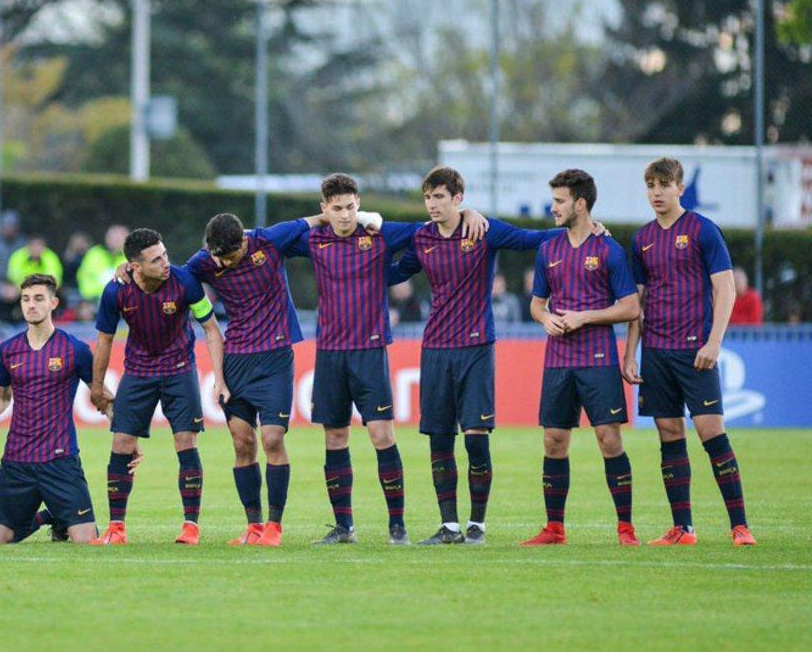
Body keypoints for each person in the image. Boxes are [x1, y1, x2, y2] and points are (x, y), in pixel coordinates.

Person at [387, 166, 598, 545]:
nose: (432, 205)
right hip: (435, 348)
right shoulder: (422, 238)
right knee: (439, 437)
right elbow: (393, 272)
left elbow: (532, 238)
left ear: (458, 198)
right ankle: (449, 526)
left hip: (476, 347)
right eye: (428, 198)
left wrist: (584, 229)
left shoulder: (483, 230)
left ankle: (477, 525)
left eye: (439, 197)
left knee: (474, 438)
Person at [287, 173, 485, 545]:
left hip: (370, 352)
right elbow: (270, 238)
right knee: (335, 437)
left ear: (359, 205)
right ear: (324, 209)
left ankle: (398, 525)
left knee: (381, 434)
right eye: (336, 209)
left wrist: (469, 210)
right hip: (329, 353)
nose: (345, 215)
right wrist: (314, 222)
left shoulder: (379, 235)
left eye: (350, 207)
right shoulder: (314, 239)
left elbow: (435, 223)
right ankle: (344, 527)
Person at [173, 211, 379, 546]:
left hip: (275, 357)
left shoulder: (269, 239)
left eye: (229, 256)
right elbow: (171, 279)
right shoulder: (204, 262)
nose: (222, 263)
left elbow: (322, 218)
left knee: (271, 439)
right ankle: (253, 526)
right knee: (242, 442)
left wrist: (369, 218)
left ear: (243, 242)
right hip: (235, 358)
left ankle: (274, 526)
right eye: (217, 257)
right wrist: (126, 271)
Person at [623, 157, 756, 546]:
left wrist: (714, 342)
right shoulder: (642, 238)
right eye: (651, 185)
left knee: (711, 430)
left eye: (664, 184)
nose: (657, 192)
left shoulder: (703, 230)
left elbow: (725, 289)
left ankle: (740, 526)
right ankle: (683, 528)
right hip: (657, 352)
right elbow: (638, 304)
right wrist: (631, 354)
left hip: (695, 350)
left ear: (681, 188)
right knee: (668, 431)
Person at [521, 169, 641, 547]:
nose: (552, 207)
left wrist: (584, 317)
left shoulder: (609, 250)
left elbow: (631, 307)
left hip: (598, 358)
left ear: (581, 203)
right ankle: (554, 529)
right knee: (554, 441)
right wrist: (546, 319)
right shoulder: (548, 250)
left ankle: (626, 529)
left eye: (559, 201)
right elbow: (536, 305)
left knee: (609, 439)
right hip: (558, 360)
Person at [88, 228, 227, 546]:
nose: (166, 262)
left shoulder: (184, 282)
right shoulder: (115, 292)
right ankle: (116, 528)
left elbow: (210, 327)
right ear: (135, 267)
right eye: (156, 259)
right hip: (137, 373)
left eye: (164, 254)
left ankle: (190, 527)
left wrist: (219, 379)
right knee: (121, 445)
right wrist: (98, 387)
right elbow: (104, 341)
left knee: (185, 444)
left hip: (180, 371)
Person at [0, 274, 103, 544]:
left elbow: (100, 394)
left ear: (53, 302)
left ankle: (63, 516)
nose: (31, 305)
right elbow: (1, 398)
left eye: (39, 299)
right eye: (26, 299)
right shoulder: (8, 350)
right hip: (17, 459)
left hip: (60, 459)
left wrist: (126, 434)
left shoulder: (76, 349)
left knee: (86, 541)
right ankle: (47, 517)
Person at [77, 224, 128, 303]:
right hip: (94, 300)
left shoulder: (132, 258)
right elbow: (83, 277)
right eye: (113, 237)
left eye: (119, 237)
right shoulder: (94, 254)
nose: (115, 240)